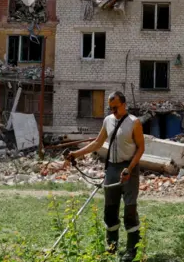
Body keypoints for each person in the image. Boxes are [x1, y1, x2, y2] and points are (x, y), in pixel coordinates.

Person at [65, 91, 145, 261]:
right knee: (110, 209)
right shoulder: (108, 121)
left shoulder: (134, 123)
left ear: (124, 104)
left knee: (130, 208)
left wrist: (129, 169)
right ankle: (112, 246)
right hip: (112, 169)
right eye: (110, 108)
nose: (113, 111)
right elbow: (97, 143)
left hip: (129, 168)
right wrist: (75, 154)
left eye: (115, 108)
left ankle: (132, 248)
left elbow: (141, 149)